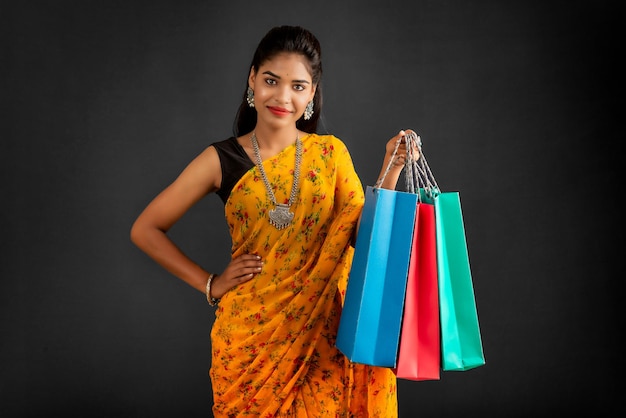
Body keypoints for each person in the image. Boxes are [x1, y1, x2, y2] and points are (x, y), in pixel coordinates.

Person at [130, 25, 416, 417]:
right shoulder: (220, 160)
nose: (283, 97)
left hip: (324, 334)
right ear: (252, 80)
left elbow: (363, 235)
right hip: (251, 341)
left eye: (298, 86)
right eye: (271, 81)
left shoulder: (330, 154)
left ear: (312, 93)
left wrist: (392, 165)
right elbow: (145, 229)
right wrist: (210, 284)